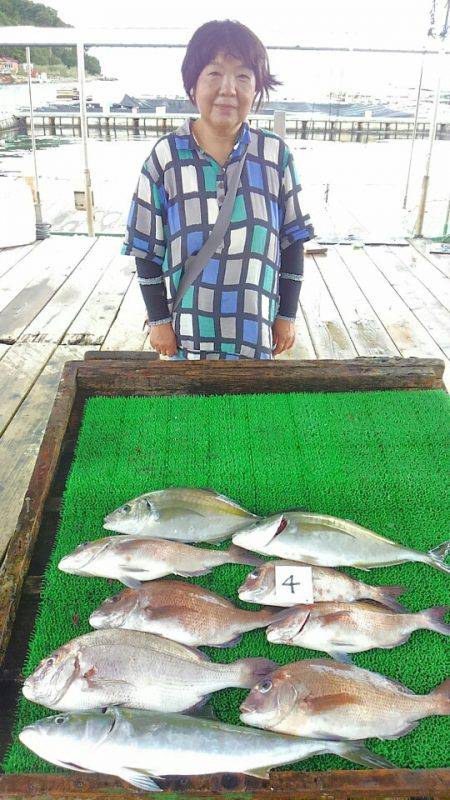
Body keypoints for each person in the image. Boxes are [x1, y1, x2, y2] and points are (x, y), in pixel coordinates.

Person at [122, 19, 314, 360]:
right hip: (188, 337)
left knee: (251, 412)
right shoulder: (164, 158)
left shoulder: (276, 155)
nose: (229, 89)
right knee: (191, 413)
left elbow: (293, 240)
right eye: (214, 73)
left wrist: (286, 316)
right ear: (192, 83)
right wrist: (158, 320)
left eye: (243, 76)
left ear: (256, 88)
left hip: (255, 335)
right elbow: (145, 248)